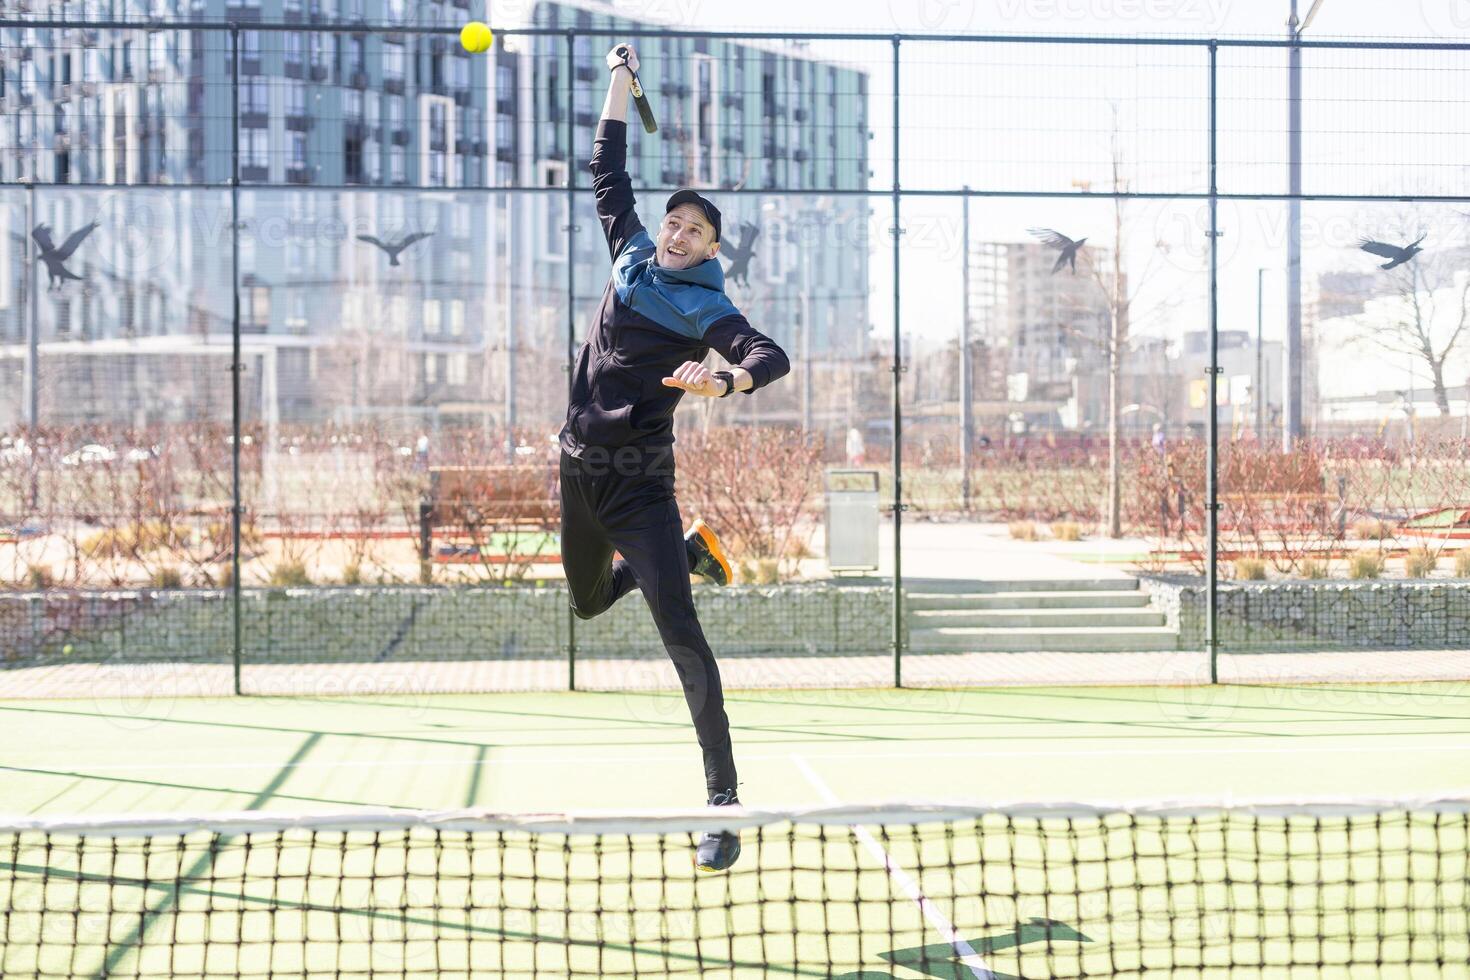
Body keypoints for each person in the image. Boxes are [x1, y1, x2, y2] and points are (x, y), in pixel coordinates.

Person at [558, 43, 790, 873]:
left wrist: (726, 382)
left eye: (698, 228)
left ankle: (722, 803)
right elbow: (604, 170)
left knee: (683, 641)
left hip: (639, 491)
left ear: (711, 248)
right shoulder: (629, 259)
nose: (680, 231)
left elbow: (768, 353)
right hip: (576, 475)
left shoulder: (704, 309)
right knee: (586, 606)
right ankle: (693, 554)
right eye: (676, 220)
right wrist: (620, 79)